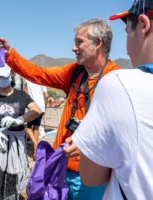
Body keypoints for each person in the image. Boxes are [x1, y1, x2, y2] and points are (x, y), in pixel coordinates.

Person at [0, 18, 121, 199]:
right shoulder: (75, 72)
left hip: (93, 176)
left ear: (98, 43)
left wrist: (87, 142)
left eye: (79, 42)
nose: (73, 48)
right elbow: (40, 74)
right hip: (62, 166)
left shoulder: (116, 80)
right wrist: (10, 53)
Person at [64, 0, 153, 199]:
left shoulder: (119, 83)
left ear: (144, 24)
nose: (127, 49)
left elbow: (91, 176)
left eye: (128, 32)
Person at [0, 58, 41, 199]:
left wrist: (20, 119)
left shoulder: (21, 96)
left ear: (11, 73)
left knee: (10, 190)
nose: (1, 79)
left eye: (3, 76)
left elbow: (36, 110)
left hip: (13, 152)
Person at [24, 80, 48, 159]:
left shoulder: (28, 79)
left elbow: (25, 91)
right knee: (36, 128)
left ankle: (35, 144)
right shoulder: (42, 81)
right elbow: (46, 95)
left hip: (32, 106)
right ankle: (35, 153)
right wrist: (45, 107)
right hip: (41, 106)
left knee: (27, 127)